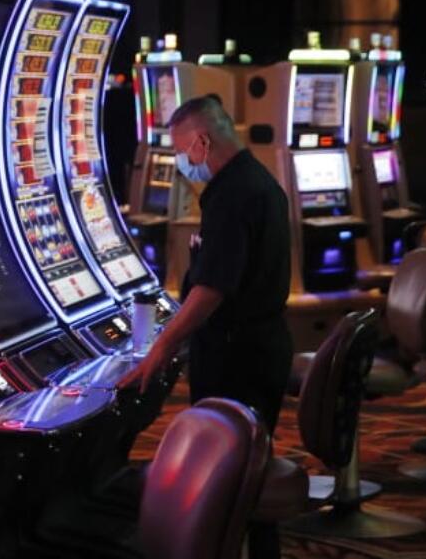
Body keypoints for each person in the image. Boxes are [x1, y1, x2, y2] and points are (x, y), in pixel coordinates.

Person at [118, 95, 291, 558]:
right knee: (247, 467)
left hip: (239, 355)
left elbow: (212, 288)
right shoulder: (252, 183)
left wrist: (163, 345)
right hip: (257, 346)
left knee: (228, 474)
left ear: (202, 140)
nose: (180, 162)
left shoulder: (234, 195)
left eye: (180, 150)